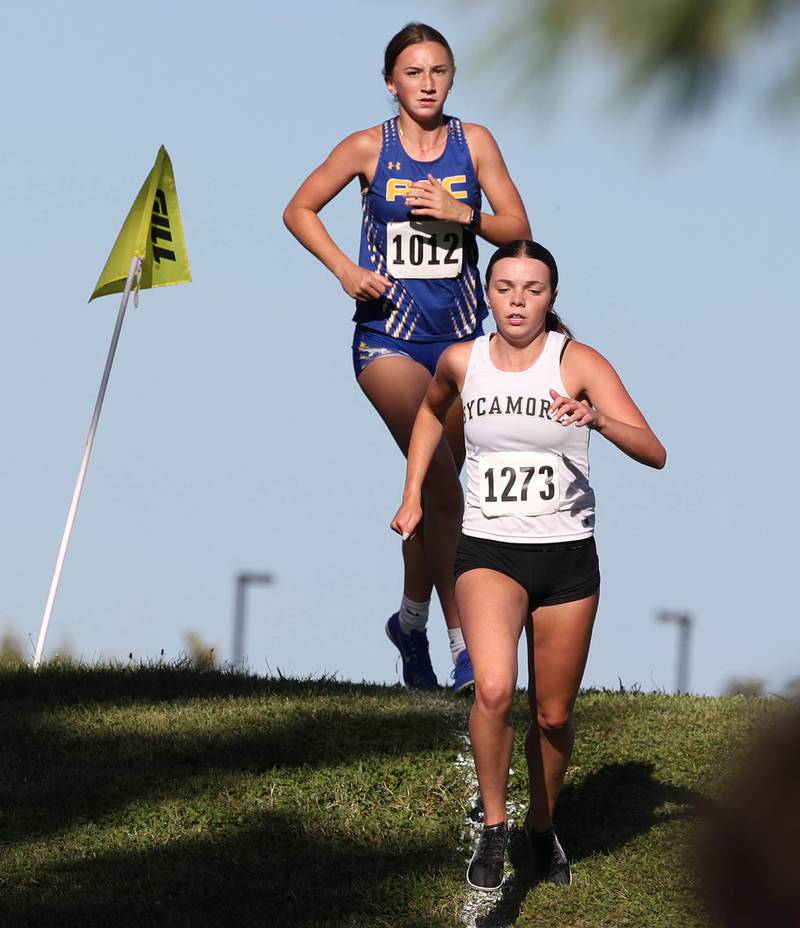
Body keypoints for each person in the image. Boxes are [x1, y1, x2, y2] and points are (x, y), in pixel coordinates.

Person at [391, 240, 666, 890]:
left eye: (533, 289)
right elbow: (430, 414)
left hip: (567, 560)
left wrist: (598, 418)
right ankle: (495, 828)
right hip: (489, 553)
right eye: (506, 287)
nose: (518, 300)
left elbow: (654, 451)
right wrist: (411, 495)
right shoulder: (463, 361)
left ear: (552, 297)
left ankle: (542, 827)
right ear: (488, 294)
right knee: (491, 689)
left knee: (553, 715)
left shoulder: (579, 362)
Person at [284, 23, 530, 691]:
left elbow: (519, 229)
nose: (427, 84)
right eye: (414, 73)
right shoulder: (369, 147)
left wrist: (463, 212)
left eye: (439, 72)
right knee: (447, 484)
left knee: (433, 492)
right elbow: (299, 208)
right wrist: (343, 268)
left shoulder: (474, 143)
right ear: (390, 81)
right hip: (386, 339)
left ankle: (409, 624)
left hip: (458, 341)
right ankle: (467, 649)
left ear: (451, 79)